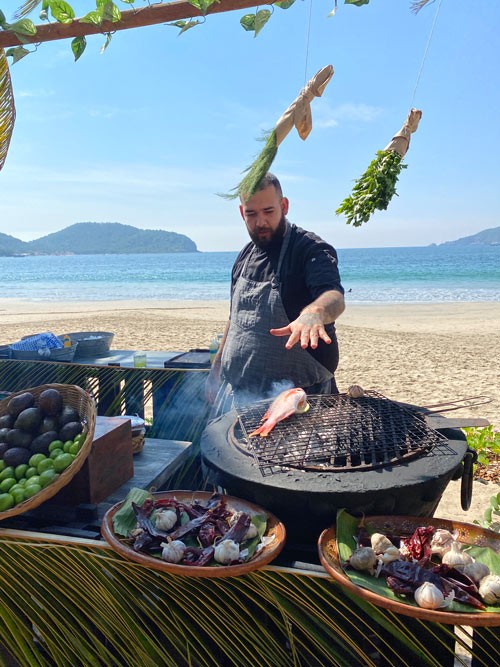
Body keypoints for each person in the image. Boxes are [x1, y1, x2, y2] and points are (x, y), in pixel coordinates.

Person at [206, 172, 345, 411]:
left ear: (284, 206)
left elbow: (334, 296)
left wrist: (315, 313)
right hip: (239, 396)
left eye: (268, 212)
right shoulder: (245, 256)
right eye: (251, 214)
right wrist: (216, 369)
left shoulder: (310, 249)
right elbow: (234, 319)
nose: (260, 222)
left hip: (298, 401)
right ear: (242, 213)